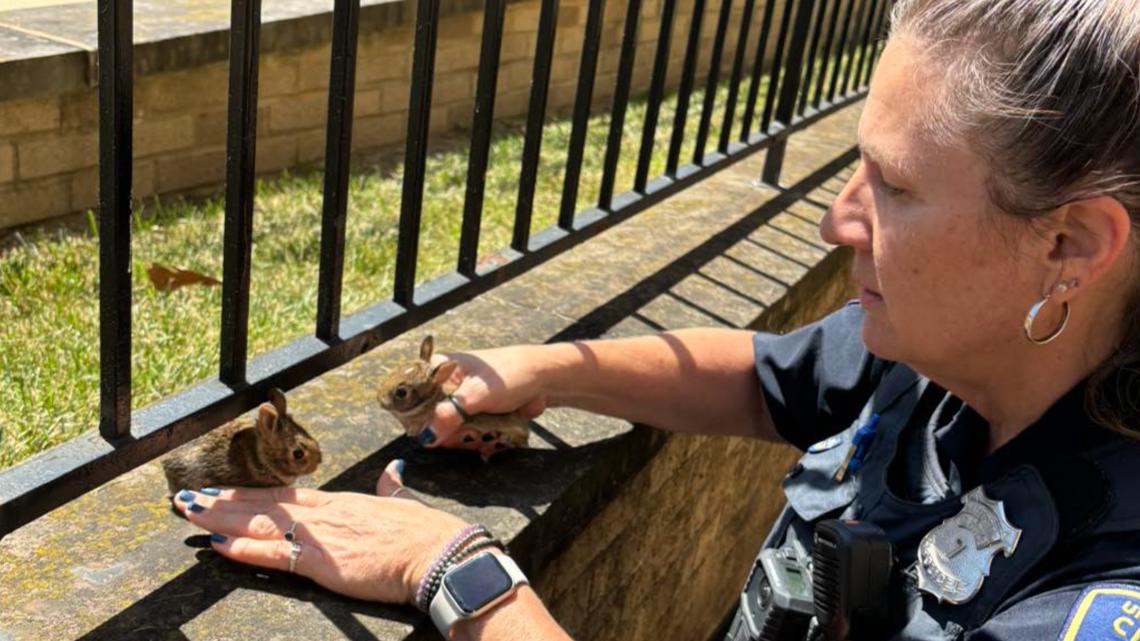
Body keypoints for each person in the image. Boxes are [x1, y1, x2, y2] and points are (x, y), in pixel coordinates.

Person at [171, 0, 1140, 638]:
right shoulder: (957, 345)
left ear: (1070, 246)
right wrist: (545, 368)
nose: (836, 217)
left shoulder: (1090, 598)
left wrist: (454, 570)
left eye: (890, 184)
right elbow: (770, 376)